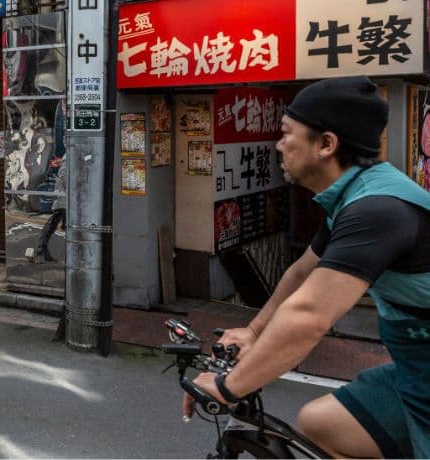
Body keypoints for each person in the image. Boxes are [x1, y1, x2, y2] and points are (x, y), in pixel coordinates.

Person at [181, 76, 430, 458]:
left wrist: (229, 387)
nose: (279, 145)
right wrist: (252, 331)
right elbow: (301, 274)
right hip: (417, 370)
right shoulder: (352, 197)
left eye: (286, 133)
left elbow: (310, 314)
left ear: (326, 144)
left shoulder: (377, 211)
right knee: (322, 423)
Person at [36, 156, 66, 262]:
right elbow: (63, 182)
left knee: (51, 227)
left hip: (62, 204)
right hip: (62, 204)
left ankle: (42, 249)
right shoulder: (64, 167)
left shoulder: (63, 166)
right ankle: (42, 249)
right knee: (51, 228)